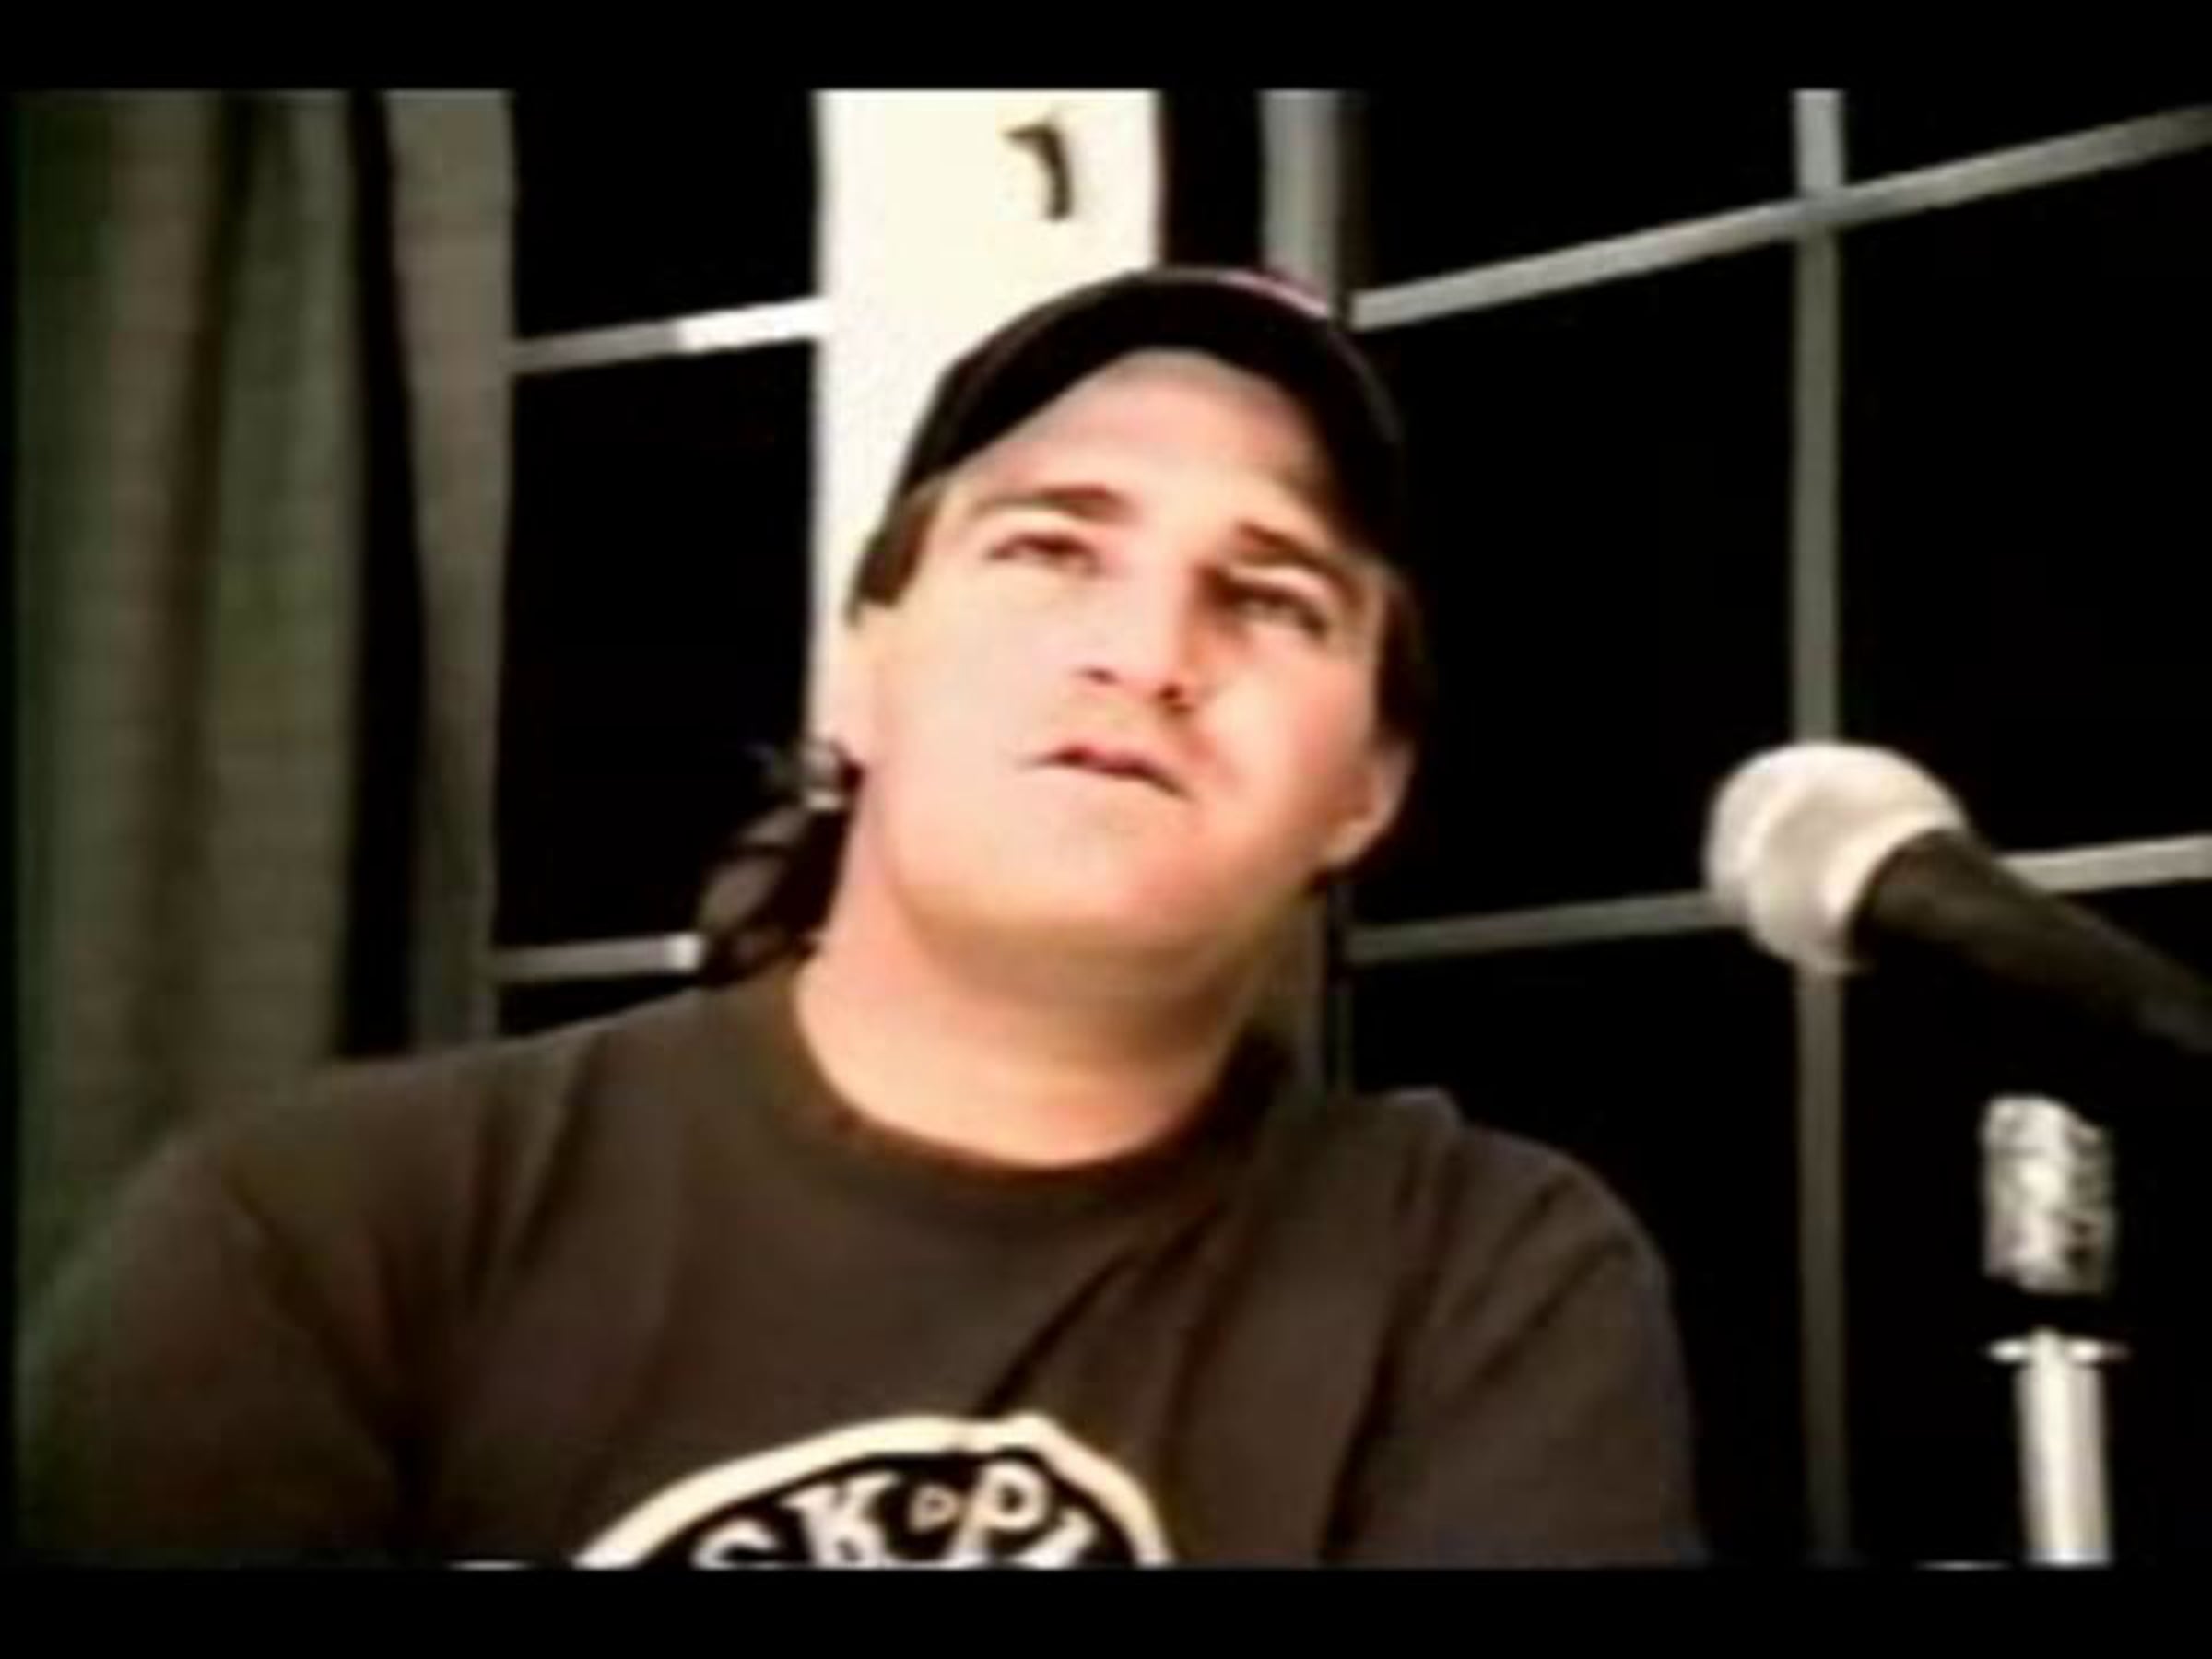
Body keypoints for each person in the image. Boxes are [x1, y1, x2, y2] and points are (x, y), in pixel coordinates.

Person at [18, 267, 1704, 1567]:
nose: (1149, 651)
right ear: (861, 668)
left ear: (1367, 789)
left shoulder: (1482, 1282)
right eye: (1052, 551)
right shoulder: (314, 1243)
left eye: (1269, 597)